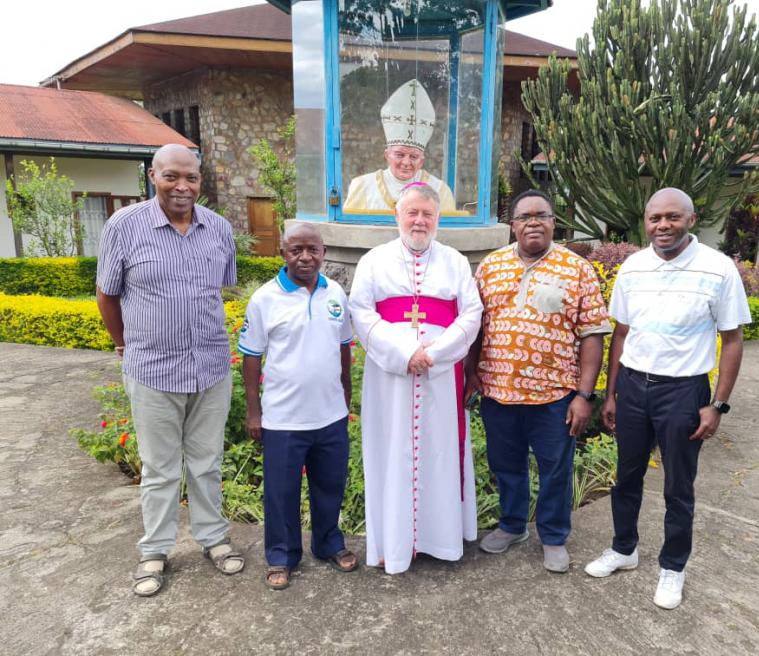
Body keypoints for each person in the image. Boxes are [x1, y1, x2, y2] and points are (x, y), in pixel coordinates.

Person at [583, 187, 751, 609]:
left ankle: (673, 567)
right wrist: (612, 392)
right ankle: (624, 549)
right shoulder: (633, 267)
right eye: (655, 218)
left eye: (672, 217)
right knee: (626, 478)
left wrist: (717, 404)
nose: (662, 225)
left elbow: (732, 339)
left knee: (679, 487)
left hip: (683, 391)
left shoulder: (718, 269)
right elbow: (621, 333)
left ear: (690, 220)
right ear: (646, 221)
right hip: (634, 388)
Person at [96, 143, 244, 597]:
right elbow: (107, 294)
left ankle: (213, 539)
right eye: (172, 177)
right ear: (153, 177)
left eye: (191, 178)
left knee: (206, 463)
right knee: (159, 468)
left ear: (201, 181)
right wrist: (124, 345)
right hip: (152, 371)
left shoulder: (218, 228)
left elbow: (220, 289)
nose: (182, 186)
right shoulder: (124, 226)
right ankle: (154, 551)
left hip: (211, 367)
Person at [466, 189, 612, 573]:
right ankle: (513, 526)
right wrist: (471, 373)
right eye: (524, 216)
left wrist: (584, 395)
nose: (533, 222)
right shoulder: (490, 267)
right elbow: (476, 326)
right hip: (499, 392)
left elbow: (592, 335)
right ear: (512, 225)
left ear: (553, 222)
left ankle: (552, 536)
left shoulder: (576, 269)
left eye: (541, 215)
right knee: (506, 465)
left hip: (555, 396)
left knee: (555, 469)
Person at [348, 182, 483, 574]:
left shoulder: (456, 262)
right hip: (391, 377)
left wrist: (434, 355)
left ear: (437, 219)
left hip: (441, 377)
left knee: (440, 453)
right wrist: (406, 353)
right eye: (412, 213)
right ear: (398, 216)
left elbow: (471, 315)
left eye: (427, 214)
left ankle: (439, 540)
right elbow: (361, 311)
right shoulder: (374, 261)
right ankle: (394, 542)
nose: (419, 221)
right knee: (391, 453)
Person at [238, 224, 359, 590]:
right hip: (283, 418)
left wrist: (346, 393)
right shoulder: (264, 299)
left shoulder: (335, 292)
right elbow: (251, 358)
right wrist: (254, 411)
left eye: (313, 249)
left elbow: (343, 348)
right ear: (282, 252)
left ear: (323, 252)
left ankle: (328, 543)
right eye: (296, 250)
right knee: (281, 491)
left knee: (330, 485)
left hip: (330, 415)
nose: (305, 257)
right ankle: (281, 555)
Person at [344, 79, 455, 213]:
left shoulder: (440, 191)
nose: (406, 162)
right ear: (387, 155)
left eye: (414, 156)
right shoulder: (363, 186)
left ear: (421, 161)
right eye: (400, 154)